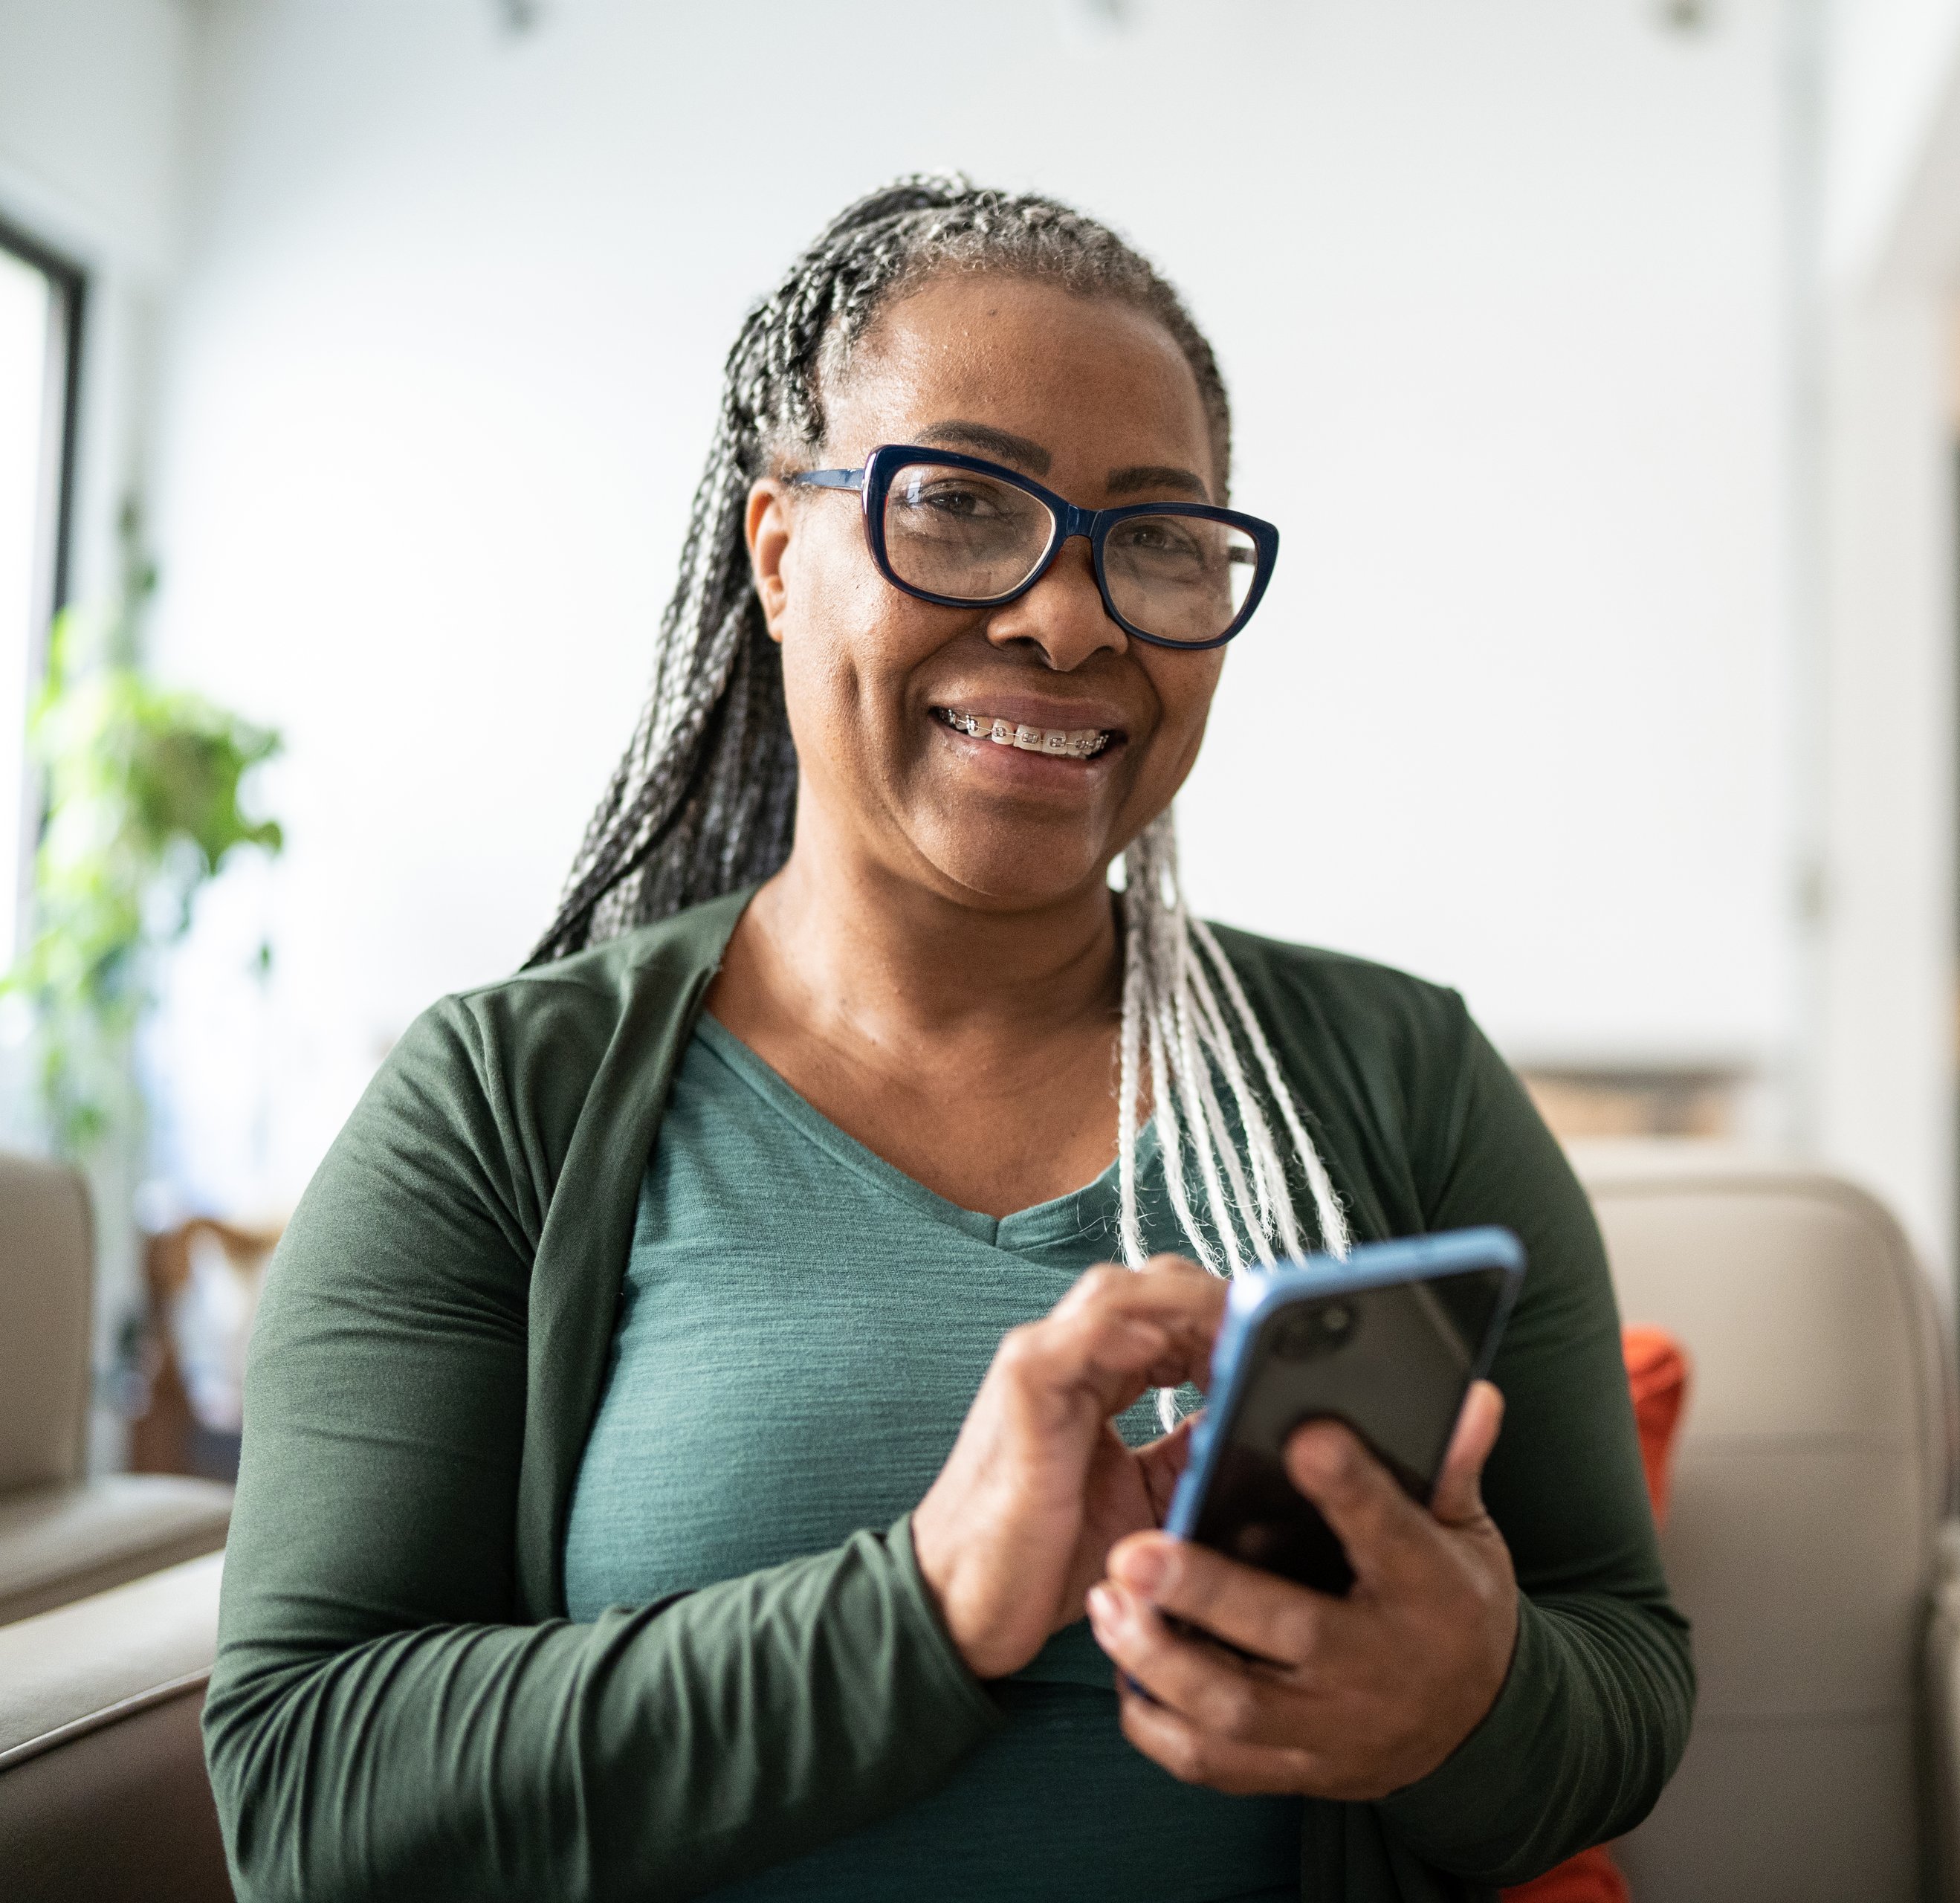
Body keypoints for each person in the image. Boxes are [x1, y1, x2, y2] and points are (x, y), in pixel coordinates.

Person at [202, 178, 1692, 1903]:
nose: (1072, 618)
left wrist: (1468, 1701)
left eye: (1157, 539)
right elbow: (304, 1794)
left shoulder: (1401, 1074)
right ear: (780, 553)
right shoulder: (497, 1102)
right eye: (964, 505)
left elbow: (1627, 1675)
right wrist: (920, 1610)